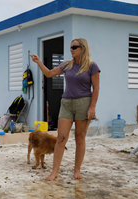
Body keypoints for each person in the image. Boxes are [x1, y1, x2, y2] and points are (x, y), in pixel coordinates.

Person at [30, 38, 100, 181]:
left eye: (74, 47)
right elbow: (49, 73)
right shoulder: (67, 65)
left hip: (83, 103)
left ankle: (77, 171)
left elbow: (96, 88)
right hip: (66, 103)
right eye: (71, 47)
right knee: (61, 138)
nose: (71, 49)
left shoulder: (91, 66)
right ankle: (54, 171)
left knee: (80, 138)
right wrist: (39, 62)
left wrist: (92, 107)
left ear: (83, 48)